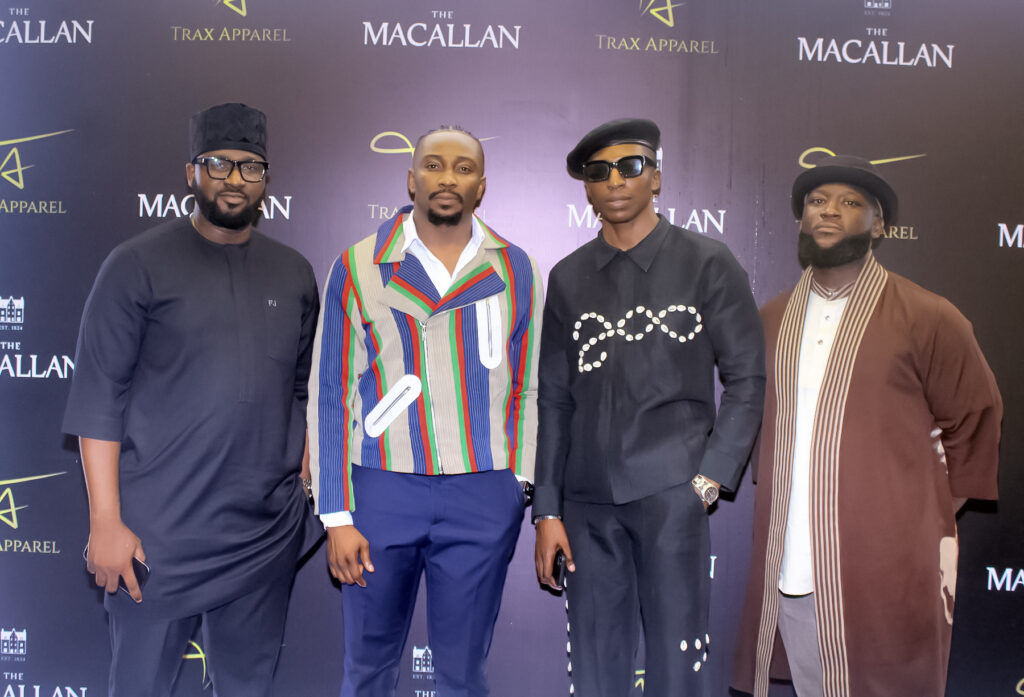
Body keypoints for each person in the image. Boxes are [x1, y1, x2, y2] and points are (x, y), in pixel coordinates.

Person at [62, 102, 320, 697]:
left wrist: (304, 475)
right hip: (158, 538)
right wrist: (106, 523)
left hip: (263, 535)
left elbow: (302, 389)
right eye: (218, 164)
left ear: (266, 179)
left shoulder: (294, 273)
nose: (235, 179)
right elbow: (98, 399)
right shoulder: (134, 265)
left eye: (250, 167)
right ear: (191, 173)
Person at [731, 155, 1002, 697]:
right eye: (817, 201)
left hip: (892, 567)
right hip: (795, 565)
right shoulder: (770, 319)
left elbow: (975, 417)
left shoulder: (930, 316)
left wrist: (920, 513)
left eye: (850, 202)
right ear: (802, 220)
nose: (829, 210)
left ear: (879, 226)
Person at [532, 118, 765, 697]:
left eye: (630, 166)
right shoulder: (567, 278)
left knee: (677, 669)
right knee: (594, 668)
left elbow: (747, 380)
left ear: (655, 178)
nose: (615, 180)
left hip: (672, 497)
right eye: (599, 171)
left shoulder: (707, 262)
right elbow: (554, 400)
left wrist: (708, 481)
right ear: (587, 189)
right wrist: (547, 510)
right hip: (586, 507)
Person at [308, 126, 543, 697]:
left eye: (463, 168)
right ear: (411, 179)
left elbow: (528, 386)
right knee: (368, 669)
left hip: (482, 492)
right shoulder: (359, 264)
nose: (447, 178)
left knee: (463, 675)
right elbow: (331, 392)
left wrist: (518, 482)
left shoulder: (515, 267)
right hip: (379, 491)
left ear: (480, 186)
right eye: (434, 165)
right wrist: (336, 515)